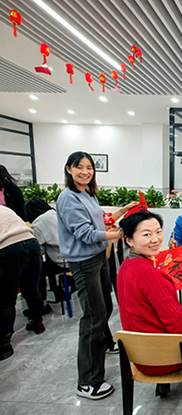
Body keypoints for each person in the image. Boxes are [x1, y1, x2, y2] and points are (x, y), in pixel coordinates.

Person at [56, 151, 137, 400]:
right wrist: (124, 233)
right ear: (69, 169)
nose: (85, 172)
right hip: (83, 262)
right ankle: (88, 381)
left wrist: (124, 211)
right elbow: (87, 234)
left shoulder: (88, 194)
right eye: (79, 167)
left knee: (105, 307)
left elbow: (102, 221)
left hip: (99, 257)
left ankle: (105, 343)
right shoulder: (68, 198)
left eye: (89, 167)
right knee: (93, 317)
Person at [118, 210, 182, 395]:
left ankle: (164, 386)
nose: (155, 239)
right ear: (129, 240)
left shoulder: (125, 267)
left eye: (158, 232)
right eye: (146, 234)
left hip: (137, 354)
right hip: (162, 358)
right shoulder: (151, 275)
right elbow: (179, 326)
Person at [0, 205, 44, 361]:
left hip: (8, 248)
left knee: (6, 298)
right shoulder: (5, 209)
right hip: (32, 244)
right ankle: (37, 323)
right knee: (32, 289)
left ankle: (4, 344)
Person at [25, 199, 66, 312]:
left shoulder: (38, 224)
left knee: (36, 270)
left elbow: (38, 250)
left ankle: (41, 304)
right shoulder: (55, 213)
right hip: (74, 255)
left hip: (61, 261)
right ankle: (58, 290)